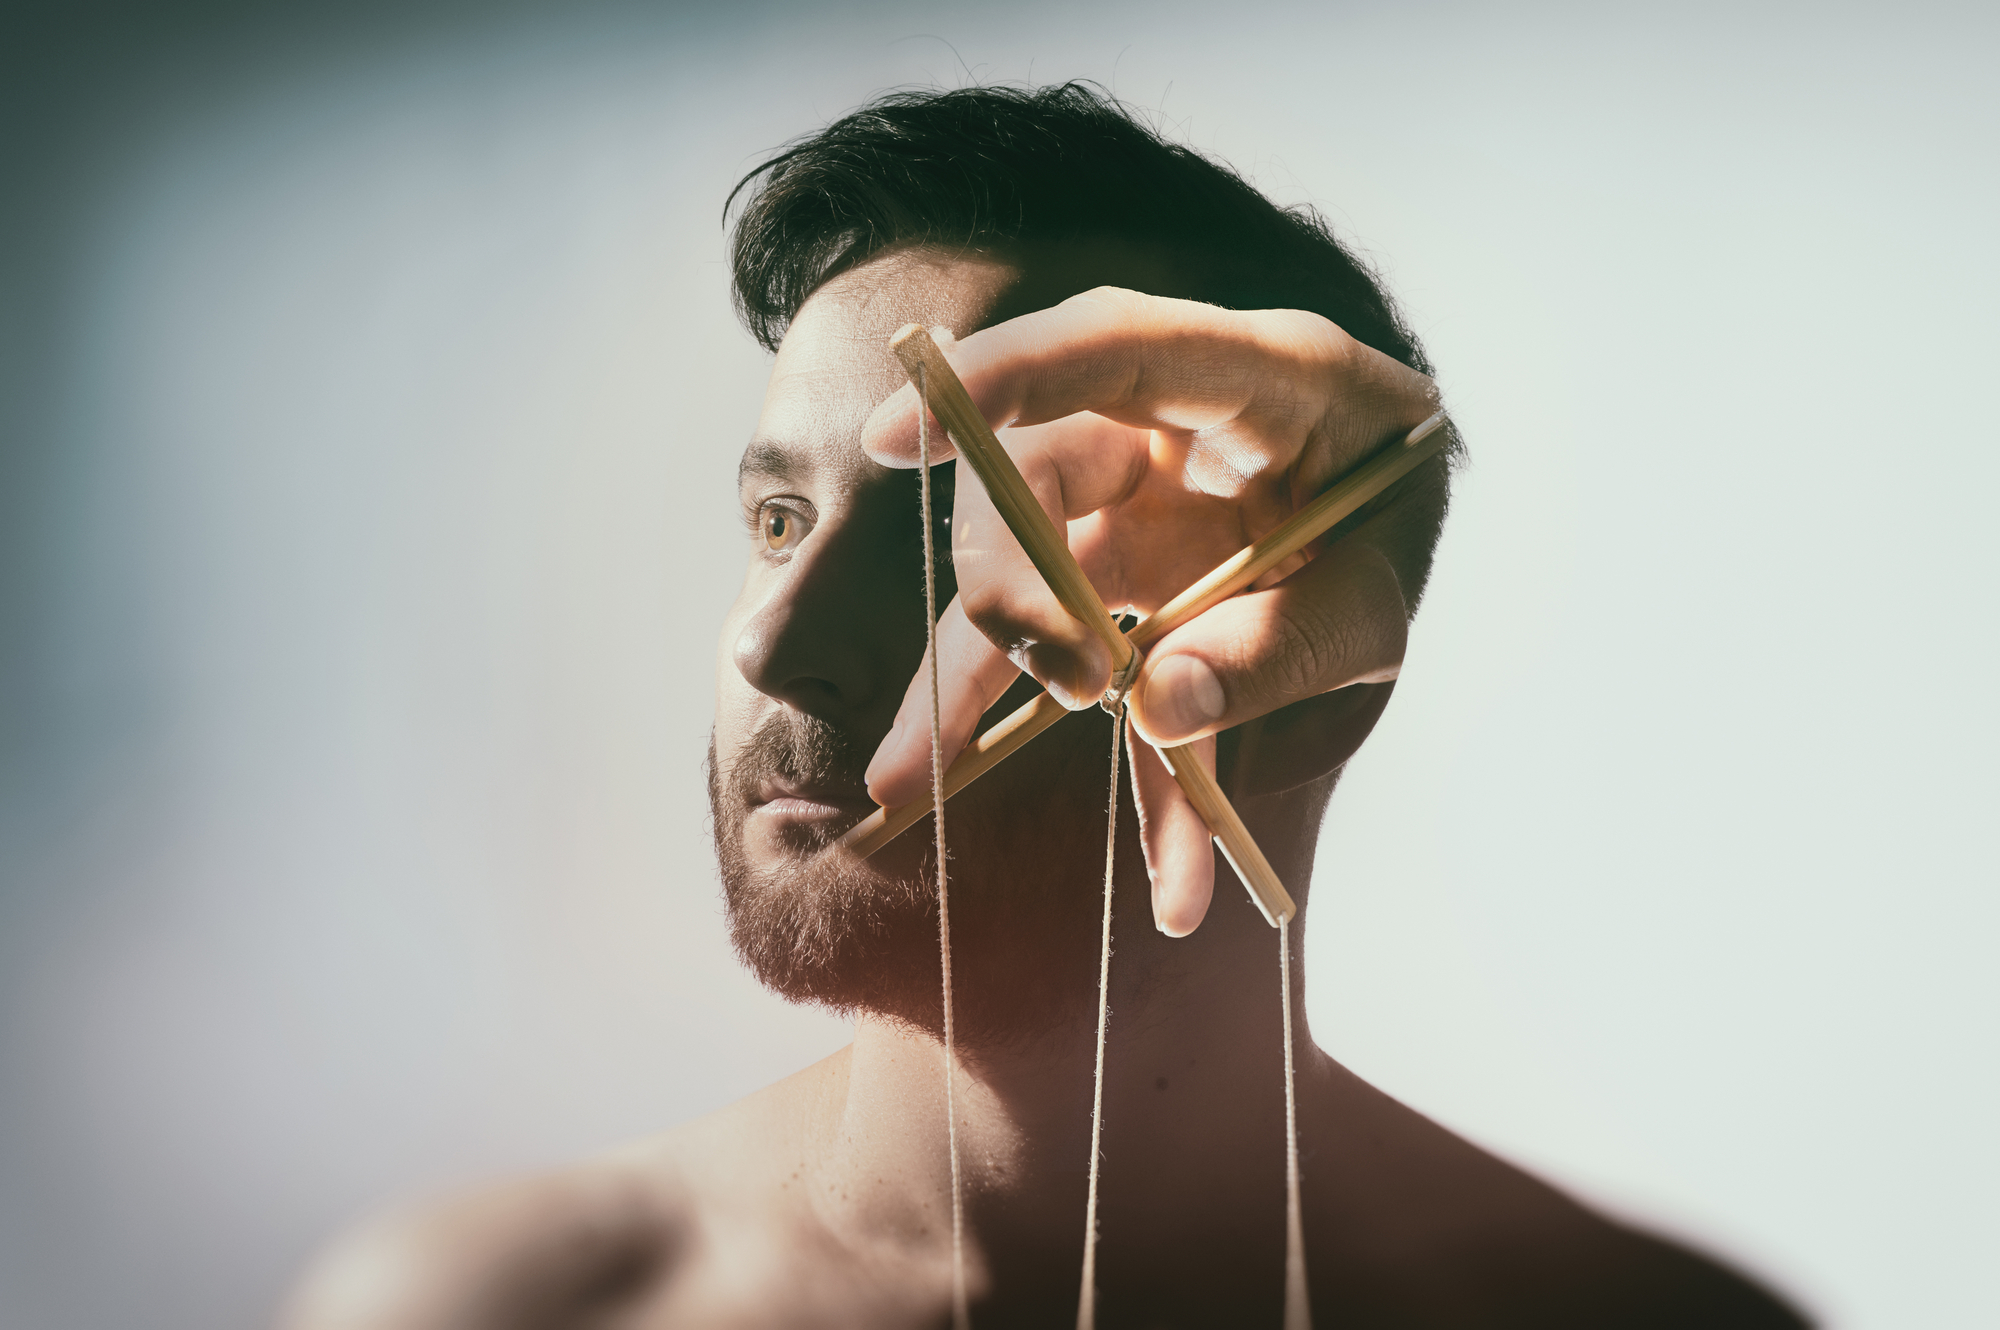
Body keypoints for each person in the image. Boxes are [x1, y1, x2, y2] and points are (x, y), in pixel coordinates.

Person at [282, 84, 1808, 1328]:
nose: (769, 639)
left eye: (953, 533)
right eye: (777, 522)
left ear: (1308, 675)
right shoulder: (491, 1305)